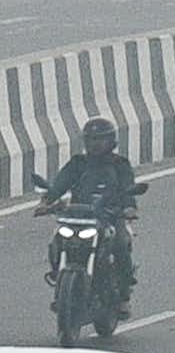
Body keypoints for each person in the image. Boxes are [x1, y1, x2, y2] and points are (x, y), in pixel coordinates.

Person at [40, 117, 140, 307]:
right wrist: (47, 201)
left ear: (111, 141)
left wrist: (129, 208)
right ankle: (57, 274)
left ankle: (124, 293)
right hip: (77, 215)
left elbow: (128, 186)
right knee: (56, 240)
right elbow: (61, 182)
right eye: (92, 139)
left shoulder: (120, 164)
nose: (96, 144)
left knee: (120, 243)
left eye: (101, 139)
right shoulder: (78, 163)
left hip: (110, 216)